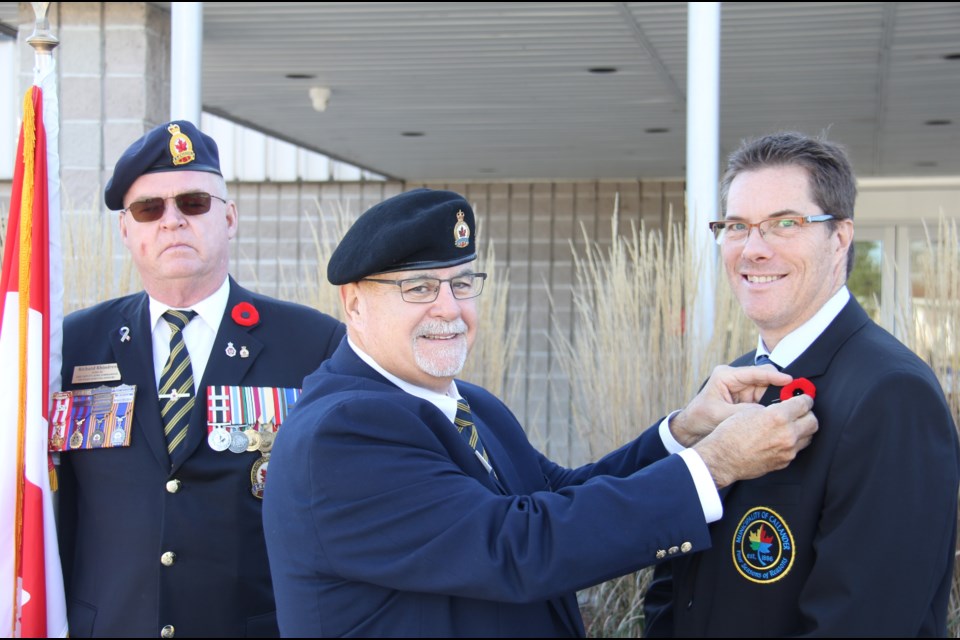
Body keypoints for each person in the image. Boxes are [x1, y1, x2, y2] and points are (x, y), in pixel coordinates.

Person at [262, 187, 819, 637]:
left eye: (461, 283)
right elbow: (517, 546)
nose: (449, 309)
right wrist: (715, 465)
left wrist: (685, 433)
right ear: (354, 304)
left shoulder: (469, 403)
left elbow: (558, 497)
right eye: (419, 288)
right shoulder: (341, 433)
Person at [643, 131, 960, 637]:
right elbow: (675, 582)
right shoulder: (731, 382)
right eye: (737, 226)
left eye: (784, 224)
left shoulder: (892, 395)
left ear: (839, 237)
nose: (753, 249)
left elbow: (861, 624)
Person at [57, 121, 345, 638]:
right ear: (127, 229)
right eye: (149, 209)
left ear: (229, 218)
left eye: (193, 203)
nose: (172, 222)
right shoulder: (69, 346)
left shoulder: (312, 345)